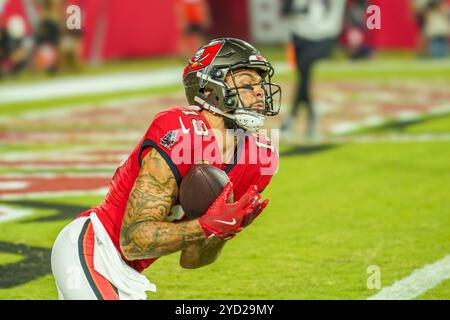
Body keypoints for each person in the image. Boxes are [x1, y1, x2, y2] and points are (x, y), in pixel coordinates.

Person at [51, 38, 282, 300]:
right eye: (245, 83)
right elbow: (133, 241)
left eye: (260, 83)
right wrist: (207, 225)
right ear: (209, 89)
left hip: (130, 274)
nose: (260, 91)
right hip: (94, 249)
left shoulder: (259, 159)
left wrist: (223, 231)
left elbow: (192, 260)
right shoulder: (180, 131)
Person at [281, 0, 346, 139]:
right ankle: (307, 116)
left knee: (304, 73)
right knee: (303, 76)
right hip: (299, 32)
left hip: (324, 33)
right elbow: (285, 10)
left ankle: (294, 117)